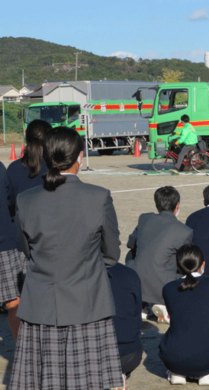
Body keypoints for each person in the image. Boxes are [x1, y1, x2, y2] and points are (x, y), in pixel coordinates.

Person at [10, 127, 124, 389]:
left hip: (41, 303)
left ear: (47, 157)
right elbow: (111, 254)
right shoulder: (98, 197)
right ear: (79, 158)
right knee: (87, 381)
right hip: (87, 302)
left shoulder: (26, 200)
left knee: (43, 381)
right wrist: (87, 269)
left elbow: (26, 250)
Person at [159, 244, 209, 386]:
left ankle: (177, 373)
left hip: (175, 357)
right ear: (203, 264)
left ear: (178, 266)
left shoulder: (168, 289)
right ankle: (206, 373)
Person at [126, 186, 193, 324]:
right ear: (177, 205)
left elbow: (130, 243)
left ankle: (143, 305)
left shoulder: (144, 219)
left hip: (137, 279)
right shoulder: (184, 230)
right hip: (163, 284)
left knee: (132, 254)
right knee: (182, 262)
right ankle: (164, 303)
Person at [0, 161, 27, 342]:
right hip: (6, 240)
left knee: (13, 302)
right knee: (14, 301)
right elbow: (10, 200)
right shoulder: (1, 167)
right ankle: (25, 351)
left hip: (5, 241)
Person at [108, 263, 144, 388]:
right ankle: (119, 374)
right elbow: (137, 314)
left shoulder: (78, 274)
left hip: (92, 353)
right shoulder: (130, 274)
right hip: (129, 354)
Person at [6, 119, 52, 218]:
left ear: (26, 139)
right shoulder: (55, 167)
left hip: (20, 226)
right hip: (49, 227)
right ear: (49, 141)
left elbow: (8, 202)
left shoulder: (13, 168)